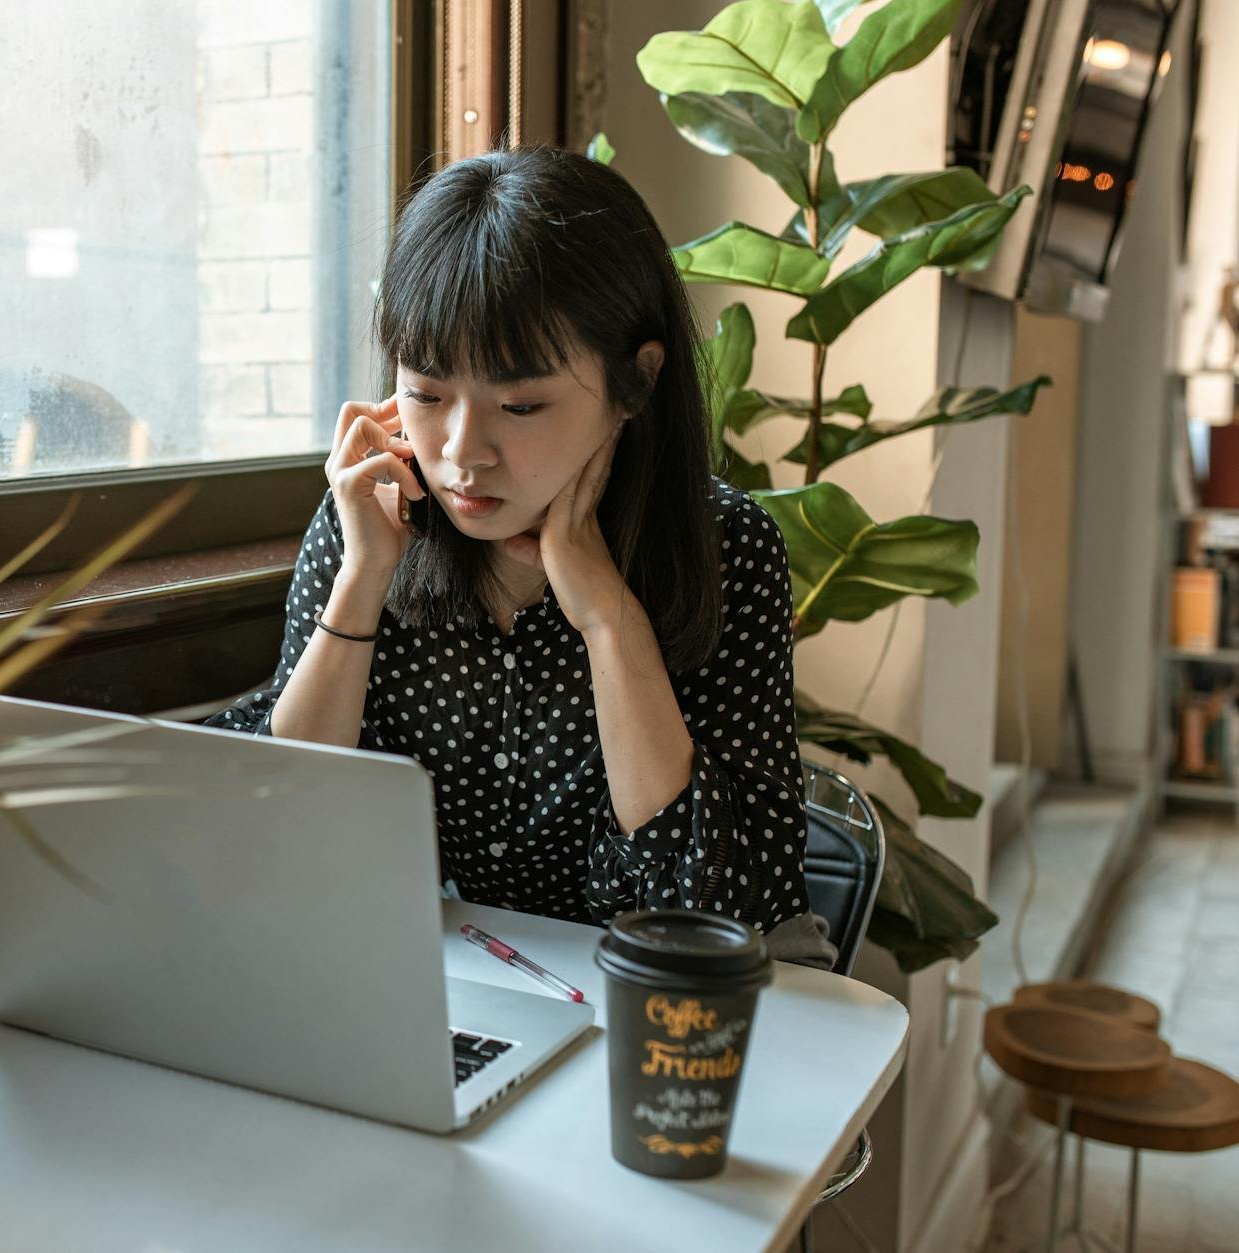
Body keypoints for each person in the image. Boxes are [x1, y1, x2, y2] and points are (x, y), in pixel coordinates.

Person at [203, 145, 815, 939]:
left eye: (520, 406)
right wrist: (361, 579)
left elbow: (715, 912)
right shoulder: (375, 517)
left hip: (663, 987)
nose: (462, 451)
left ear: (636, 382)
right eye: (425, 392)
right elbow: (277, 831)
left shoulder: (725, 548)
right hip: (468, 980)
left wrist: (605, 616)